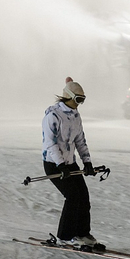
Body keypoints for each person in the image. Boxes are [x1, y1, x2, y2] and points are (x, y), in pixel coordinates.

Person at [42, 76, 100, 248]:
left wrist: (87, 162)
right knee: (73, 196)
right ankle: (65, 236)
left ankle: (82, 233)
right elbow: (50, 143)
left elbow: (80, 141)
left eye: (83, 100)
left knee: (83, 196)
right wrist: (60, 164)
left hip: (69, 163)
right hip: (53, 164)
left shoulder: (75, 116)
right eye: (78, 99)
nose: (80, 103)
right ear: (68, 96)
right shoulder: (53, 115)